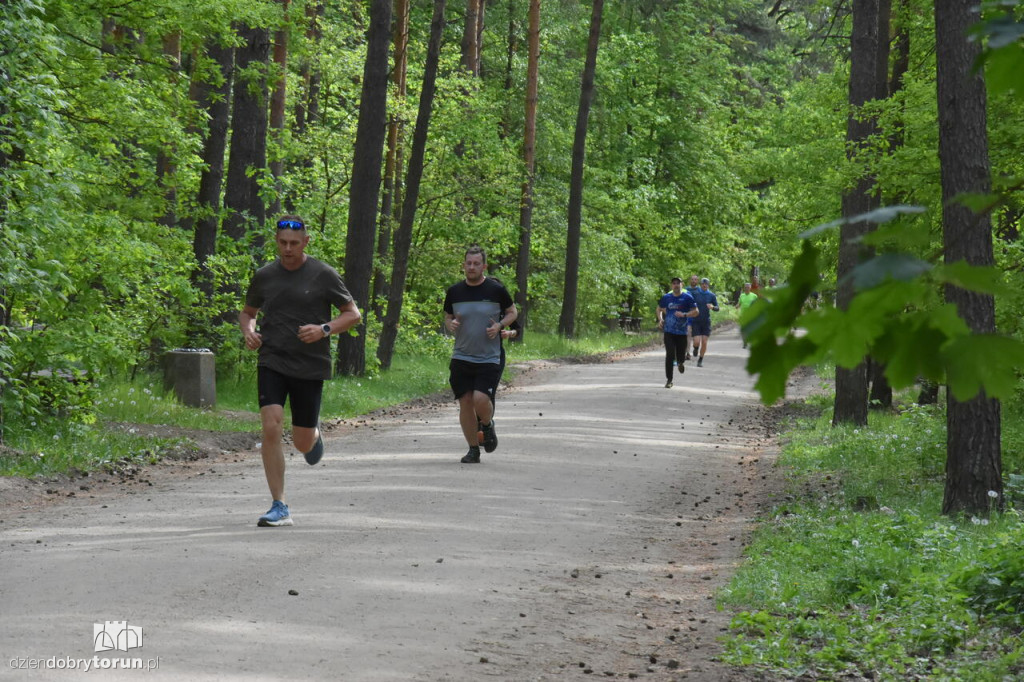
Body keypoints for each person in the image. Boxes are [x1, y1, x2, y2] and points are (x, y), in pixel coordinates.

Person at [239, 215, 362, 527]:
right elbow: (247, 312)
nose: (288, 249)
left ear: (306, 242)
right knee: (270, 426)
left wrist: (324, 329)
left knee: (302, 443)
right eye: (282, 243)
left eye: (294, 243)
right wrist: (249, 332)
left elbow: (353, 315)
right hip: (272, 360)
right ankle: (279, 505)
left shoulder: (323, 274)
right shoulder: (265, 275)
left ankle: (314, 435)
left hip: (309, 365)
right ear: (276, 242)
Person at [443, 246, 518, 464]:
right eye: (469, 263)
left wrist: (501, 326)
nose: (472, 267)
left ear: (484, 266)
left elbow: (513, 312)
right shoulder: (454, 291)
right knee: (465, 402)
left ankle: (487, 424)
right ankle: (473, 449)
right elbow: (448, 317)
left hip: (488, 357)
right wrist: (451, 324)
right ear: (464, 265)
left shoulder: (495, 290)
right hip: (461, 356)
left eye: (476, 263)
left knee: (480, 399)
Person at [657, 277, 699, 388]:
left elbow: (696, 312)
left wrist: (685, 315)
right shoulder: (667, 297)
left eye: (678, 283)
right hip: (669, 331)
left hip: (681, 332)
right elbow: (659, 308)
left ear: (682, 285)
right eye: (674, 283)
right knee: (669, 355)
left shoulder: (687, 298)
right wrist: (660, 319)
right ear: (672, 285)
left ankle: (680, 362)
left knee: (681, 355)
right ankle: (669, 380)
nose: (676, 285)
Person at [690, 277, 720, 367]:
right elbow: (689, 302)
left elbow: (717, 308)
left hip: (706, 321)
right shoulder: (695, 293)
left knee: (704, 342)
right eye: (703, 284)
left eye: (706, 284)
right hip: (696, 320)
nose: (704, 285)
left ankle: (700, 360)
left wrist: (712, 307)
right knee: (696, 341)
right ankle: (695, 348)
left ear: (708, 285)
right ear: (700, 284)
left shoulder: (711, 295)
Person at [735, 282, 758, 348]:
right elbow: (739, 304)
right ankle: (745, 342)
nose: (747, 288)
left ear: (750, 288)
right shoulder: (742, 295)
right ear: (744, 288)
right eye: (745, 287)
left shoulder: (754, 296)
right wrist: (736, 307)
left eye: (748, 287)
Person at [685, 274, 701, 359]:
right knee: (688, 333)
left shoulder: (700, 290)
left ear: (697, 281)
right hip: (689, 314)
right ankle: (687, 352)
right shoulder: (686, 290)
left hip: (698, 316)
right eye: (692, 279)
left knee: (696, 339)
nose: (693, 281)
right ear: (690, 280)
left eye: (695, 279)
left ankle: (695, 347)